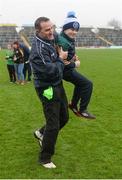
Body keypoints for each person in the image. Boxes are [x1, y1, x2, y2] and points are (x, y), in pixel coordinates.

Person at [29, 17, 69, 168]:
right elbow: (51, 71)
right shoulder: (38, 50)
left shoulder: (51, 36)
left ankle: (40, 133)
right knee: (53, 123)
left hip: (58, 84)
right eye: (47, 29)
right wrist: (60, 59)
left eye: (52, 27)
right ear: (38, 31)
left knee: (64, 117)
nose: (51, 31)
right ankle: (45, 158)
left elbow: (62, 39)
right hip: (47, 88)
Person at [56, 11, 96, 119]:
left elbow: (68, 52)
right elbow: (61, 63)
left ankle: (73, 104)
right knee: (88, 84)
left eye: (76, 30)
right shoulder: (62, 42)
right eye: (71, 29)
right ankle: (83, 110)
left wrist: (73, 56)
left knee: (80, 84)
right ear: (65, 29)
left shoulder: (66, 38)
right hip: (65, 71)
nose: (74, 32)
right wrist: (75, 64)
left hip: (67, 68)